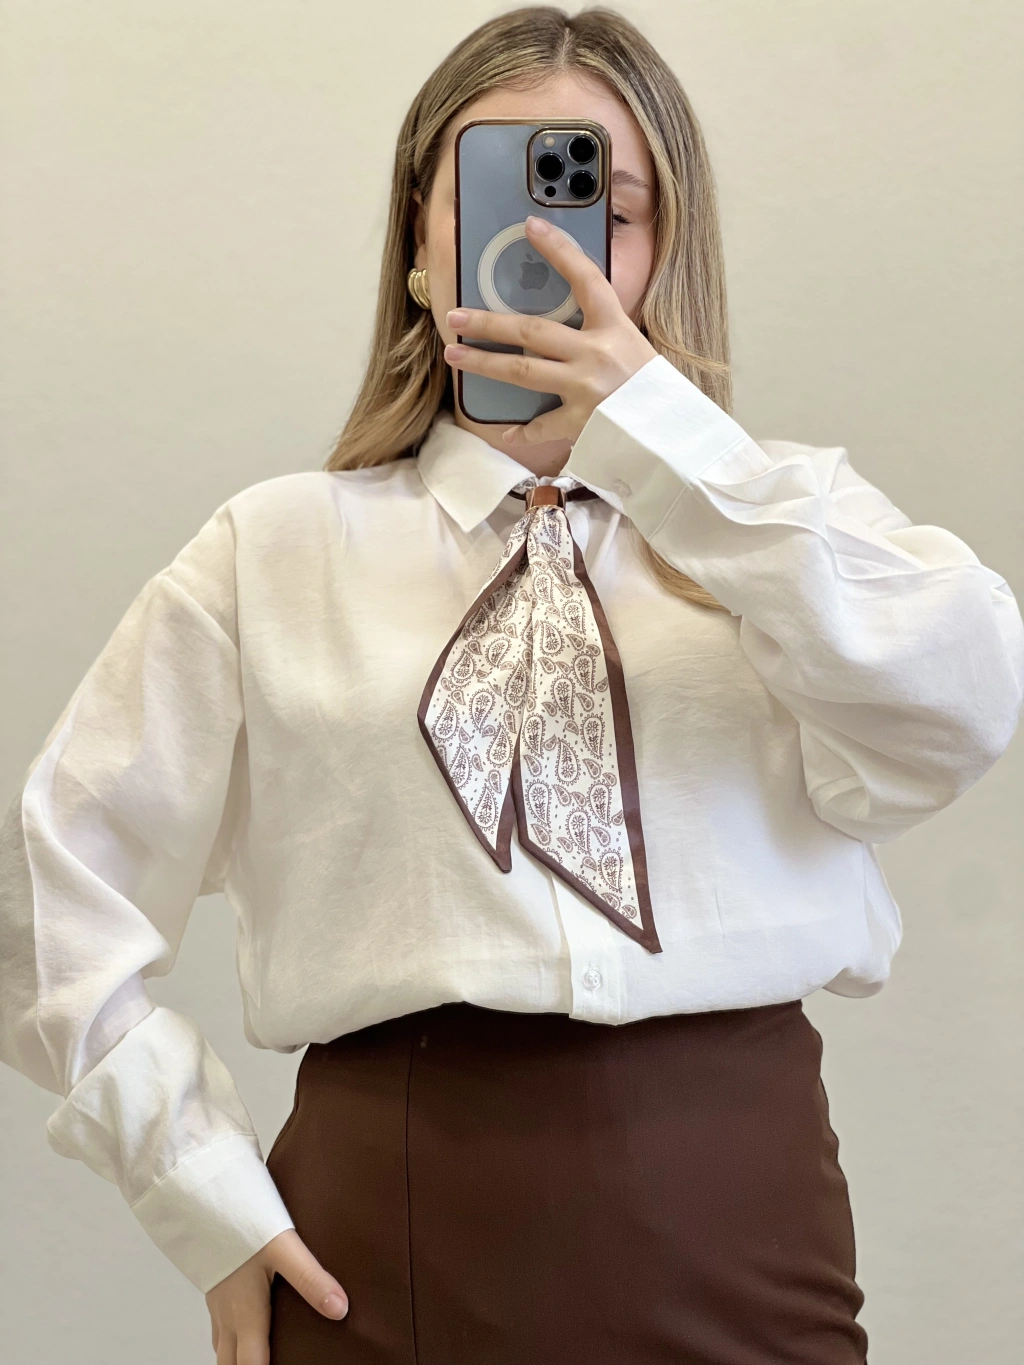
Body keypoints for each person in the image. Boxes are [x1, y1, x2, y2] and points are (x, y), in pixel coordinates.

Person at [1, 6, 1021, 1364]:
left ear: (664, 251)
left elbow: (959, 707)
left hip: (736, 1221)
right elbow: (45, 897)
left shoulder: (789, 527)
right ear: (419, 247)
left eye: (607, 206)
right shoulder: (272, 552)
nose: (549, 247)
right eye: (495, 196)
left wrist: (673, 452)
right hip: (386, 1235)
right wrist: (195, 1190)